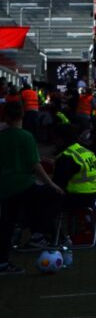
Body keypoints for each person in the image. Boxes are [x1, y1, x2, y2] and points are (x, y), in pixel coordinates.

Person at [1, 100, 62, 275]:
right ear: (22, 115)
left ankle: (3, 263)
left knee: (6, 224)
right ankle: (38, 234)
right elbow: (35, 165)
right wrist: (52, 184)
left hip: (5, 187)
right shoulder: (26, 136)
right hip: (24, 184)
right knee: (52, 197)